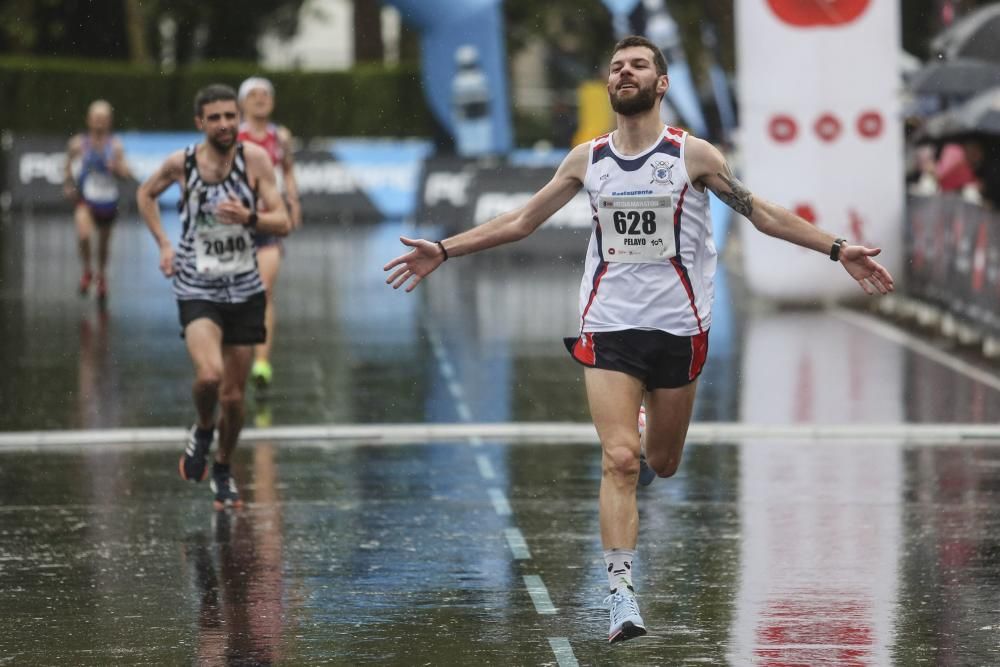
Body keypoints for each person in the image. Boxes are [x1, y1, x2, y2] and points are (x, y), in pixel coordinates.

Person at [384, 35, 895, 644]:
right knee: (619, 459)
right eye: (617, 66)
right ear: (610, 84)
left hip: (680, 328)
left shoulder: (692, 156)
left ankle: (652, 431)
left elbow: (761, 213)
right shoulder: (587, 159)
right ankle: (620, 594)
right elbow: (521, 221)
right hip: (609, 325)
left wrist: (838, 249)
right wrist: (443, 248)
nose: (625, 72)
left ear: (662, 83)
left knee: (662, 462)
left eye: (639, 65)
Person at [136, 84, 290, 510]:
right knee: (208, 377)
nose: (225, 124)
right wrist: (165, 244)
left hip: (244, 287)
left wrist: (251, 216)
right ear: (199, 123)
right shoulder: (181, 163)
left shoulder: (254, 160)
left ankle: (223, 466)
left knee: (235, 398)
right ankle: (204, 428)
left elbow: (284, 221)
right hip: (197, 284)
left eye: (230, 116)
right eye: (216, 117)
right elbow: (145, 194)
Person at [236, 77, 302, 396]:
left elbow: (287, 170)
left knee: (263, 292)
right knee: (235, 295)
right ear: (242, 103)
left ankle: (261, 363)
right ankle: (234, 355)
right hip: (235, 228)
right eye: (254, 95)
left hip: (268, 226)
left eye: (266, 95)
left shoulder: (281, 136)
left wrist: (293, 202)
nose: (261, 99)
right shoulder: (232, 134)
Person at [63, 100, 134, 303]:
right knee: (84, 235)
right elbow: (67, 166)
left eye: (103, 119)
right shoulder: (78, 144)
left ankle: (101, 275)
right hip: (86, 199)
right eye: (96, 119)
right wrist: (68, 184)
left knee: (103, 244)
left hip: (108, 201)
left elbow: (127, 173)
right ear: (88, 120)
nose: (99, 124)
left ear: (110, 122)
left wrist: (117, 168)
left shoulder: (116, 146)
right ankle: (87, 271)